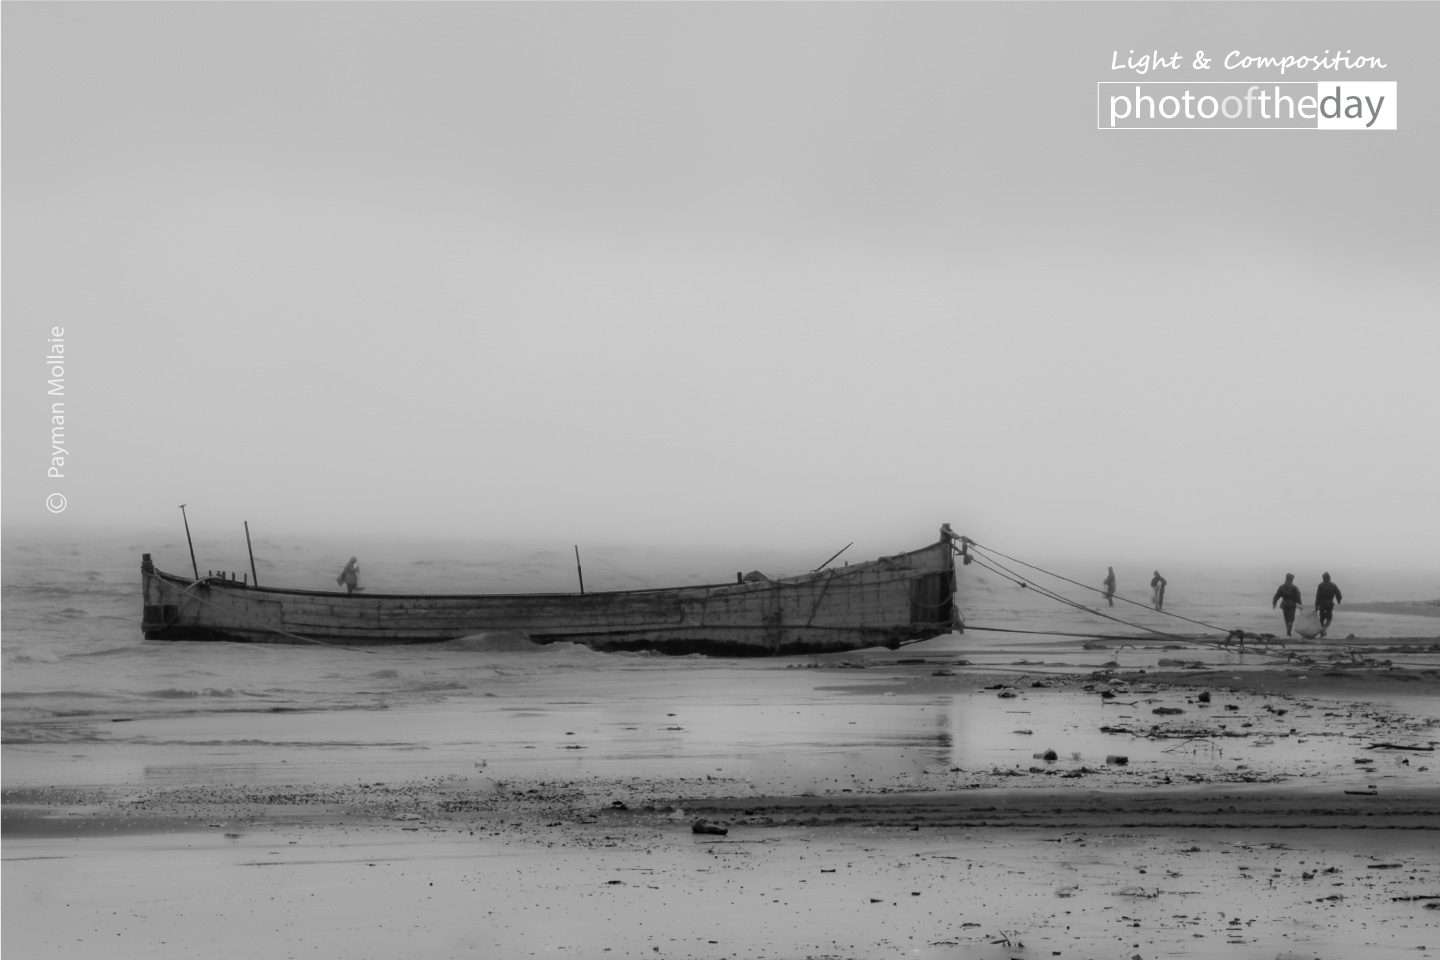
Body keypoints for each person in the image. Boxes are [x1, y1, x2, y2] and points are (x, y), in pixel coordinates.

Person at [1271, 572, 1303, 638]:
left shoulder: (1281, 587)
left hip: (1284, 604)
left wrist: (1274, 603)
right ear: (1292, 579)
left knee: (1287, 619)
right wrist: (1300, 605)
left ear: (1286, 578)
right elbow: (1298, 597)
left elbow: (1276, 596)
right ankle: (1288, 634)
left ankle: (1288, 634)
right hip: (1292, 605)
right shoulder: (1294, 587)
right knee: (1291, 620)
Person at [1314, 572, 1342, 637]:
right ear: (1329, 578)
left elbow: (1317, 596)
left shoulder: (1321, 585)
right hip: (1329, 604)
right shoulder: (1333, 585)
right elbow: (1338, 594)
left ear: (1323, 578)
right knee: (1329, 618)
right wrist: (1339, 600)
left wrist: (1316, 606)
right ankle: (1325, 628)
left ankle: (1322, 632)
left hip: (1322, 604)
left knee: (1322, 618)